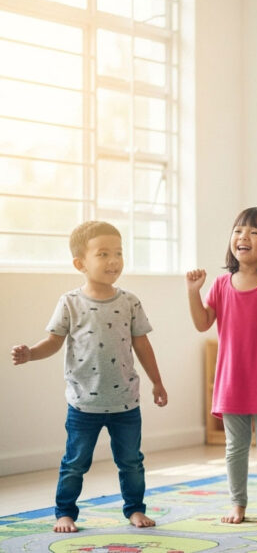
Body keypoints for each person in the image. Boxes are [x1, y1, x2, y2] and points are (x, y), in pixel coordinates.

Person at [10, 221, 168, 533]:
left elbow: (142, 345)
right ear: (80, 263)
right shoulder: (70, 302)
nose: (114, 260)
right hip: (83, 404)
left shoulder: (130, 302)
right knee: (75, 464)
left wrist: (157, 382)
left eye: (119, 253)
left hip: (126, 402)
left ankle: (135, 509)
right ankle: (65, 513)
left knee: (131, 463)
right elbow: (53, 342)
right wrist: (30, 354)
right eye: (104, 254)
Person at [185, 207, 257, 525]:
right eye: (238, 230)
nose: (243, 236)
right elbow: (202, 323)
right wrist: (192, 293)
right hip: (231, 381)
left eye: (254, 232)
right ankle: (238, 504)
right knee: (234, 447)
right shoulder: (221, 284)